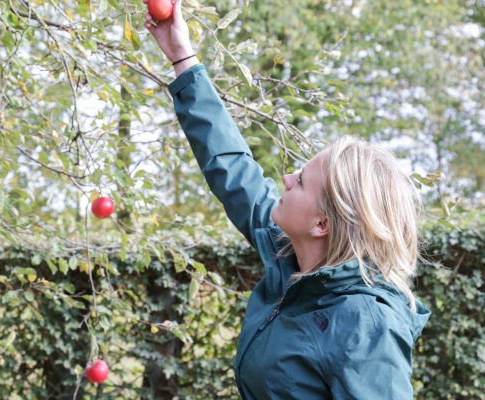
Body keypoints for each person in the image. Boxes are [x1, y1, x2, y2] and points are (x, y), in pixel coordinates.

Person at [144, 1, 431, 398]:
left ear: (321, 224)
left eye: (300, 180)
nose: (285, 177)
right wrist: (182, 57)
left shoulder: (365, 322)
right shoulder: (293, 259)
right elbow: (232, 168)